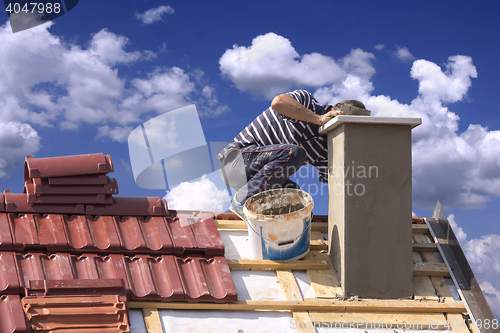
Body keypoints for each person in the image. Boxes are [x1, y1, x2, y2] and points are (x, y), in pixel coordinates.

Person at [217, 89, 366, 219]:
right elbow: (278, 102)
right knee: (294, 152)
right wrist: (318, 119)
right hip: (235, 161)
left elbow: (336, 186)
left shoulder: (325, 150)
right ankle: (243, 202)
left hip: (256, 179)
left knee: (298, 205)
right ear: (336, 112)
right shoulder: (307, 102)